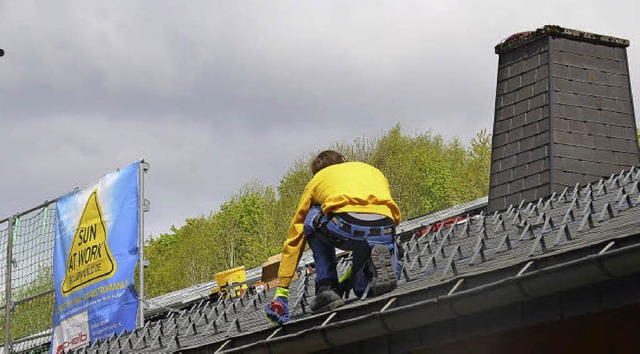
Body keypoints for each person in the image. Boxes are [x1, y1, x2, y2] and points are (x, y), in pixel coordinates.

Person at [264, 150, 402, 324]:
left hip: (348, 225)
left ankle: (326, 287)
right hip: (385, 228)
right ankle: (369, 275)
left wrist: (282, 289)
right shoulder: (371, 170)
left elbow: (297, 233)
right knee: (361, 289)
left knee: (311, 216)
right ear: (344, 160)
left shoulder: (318, 179)